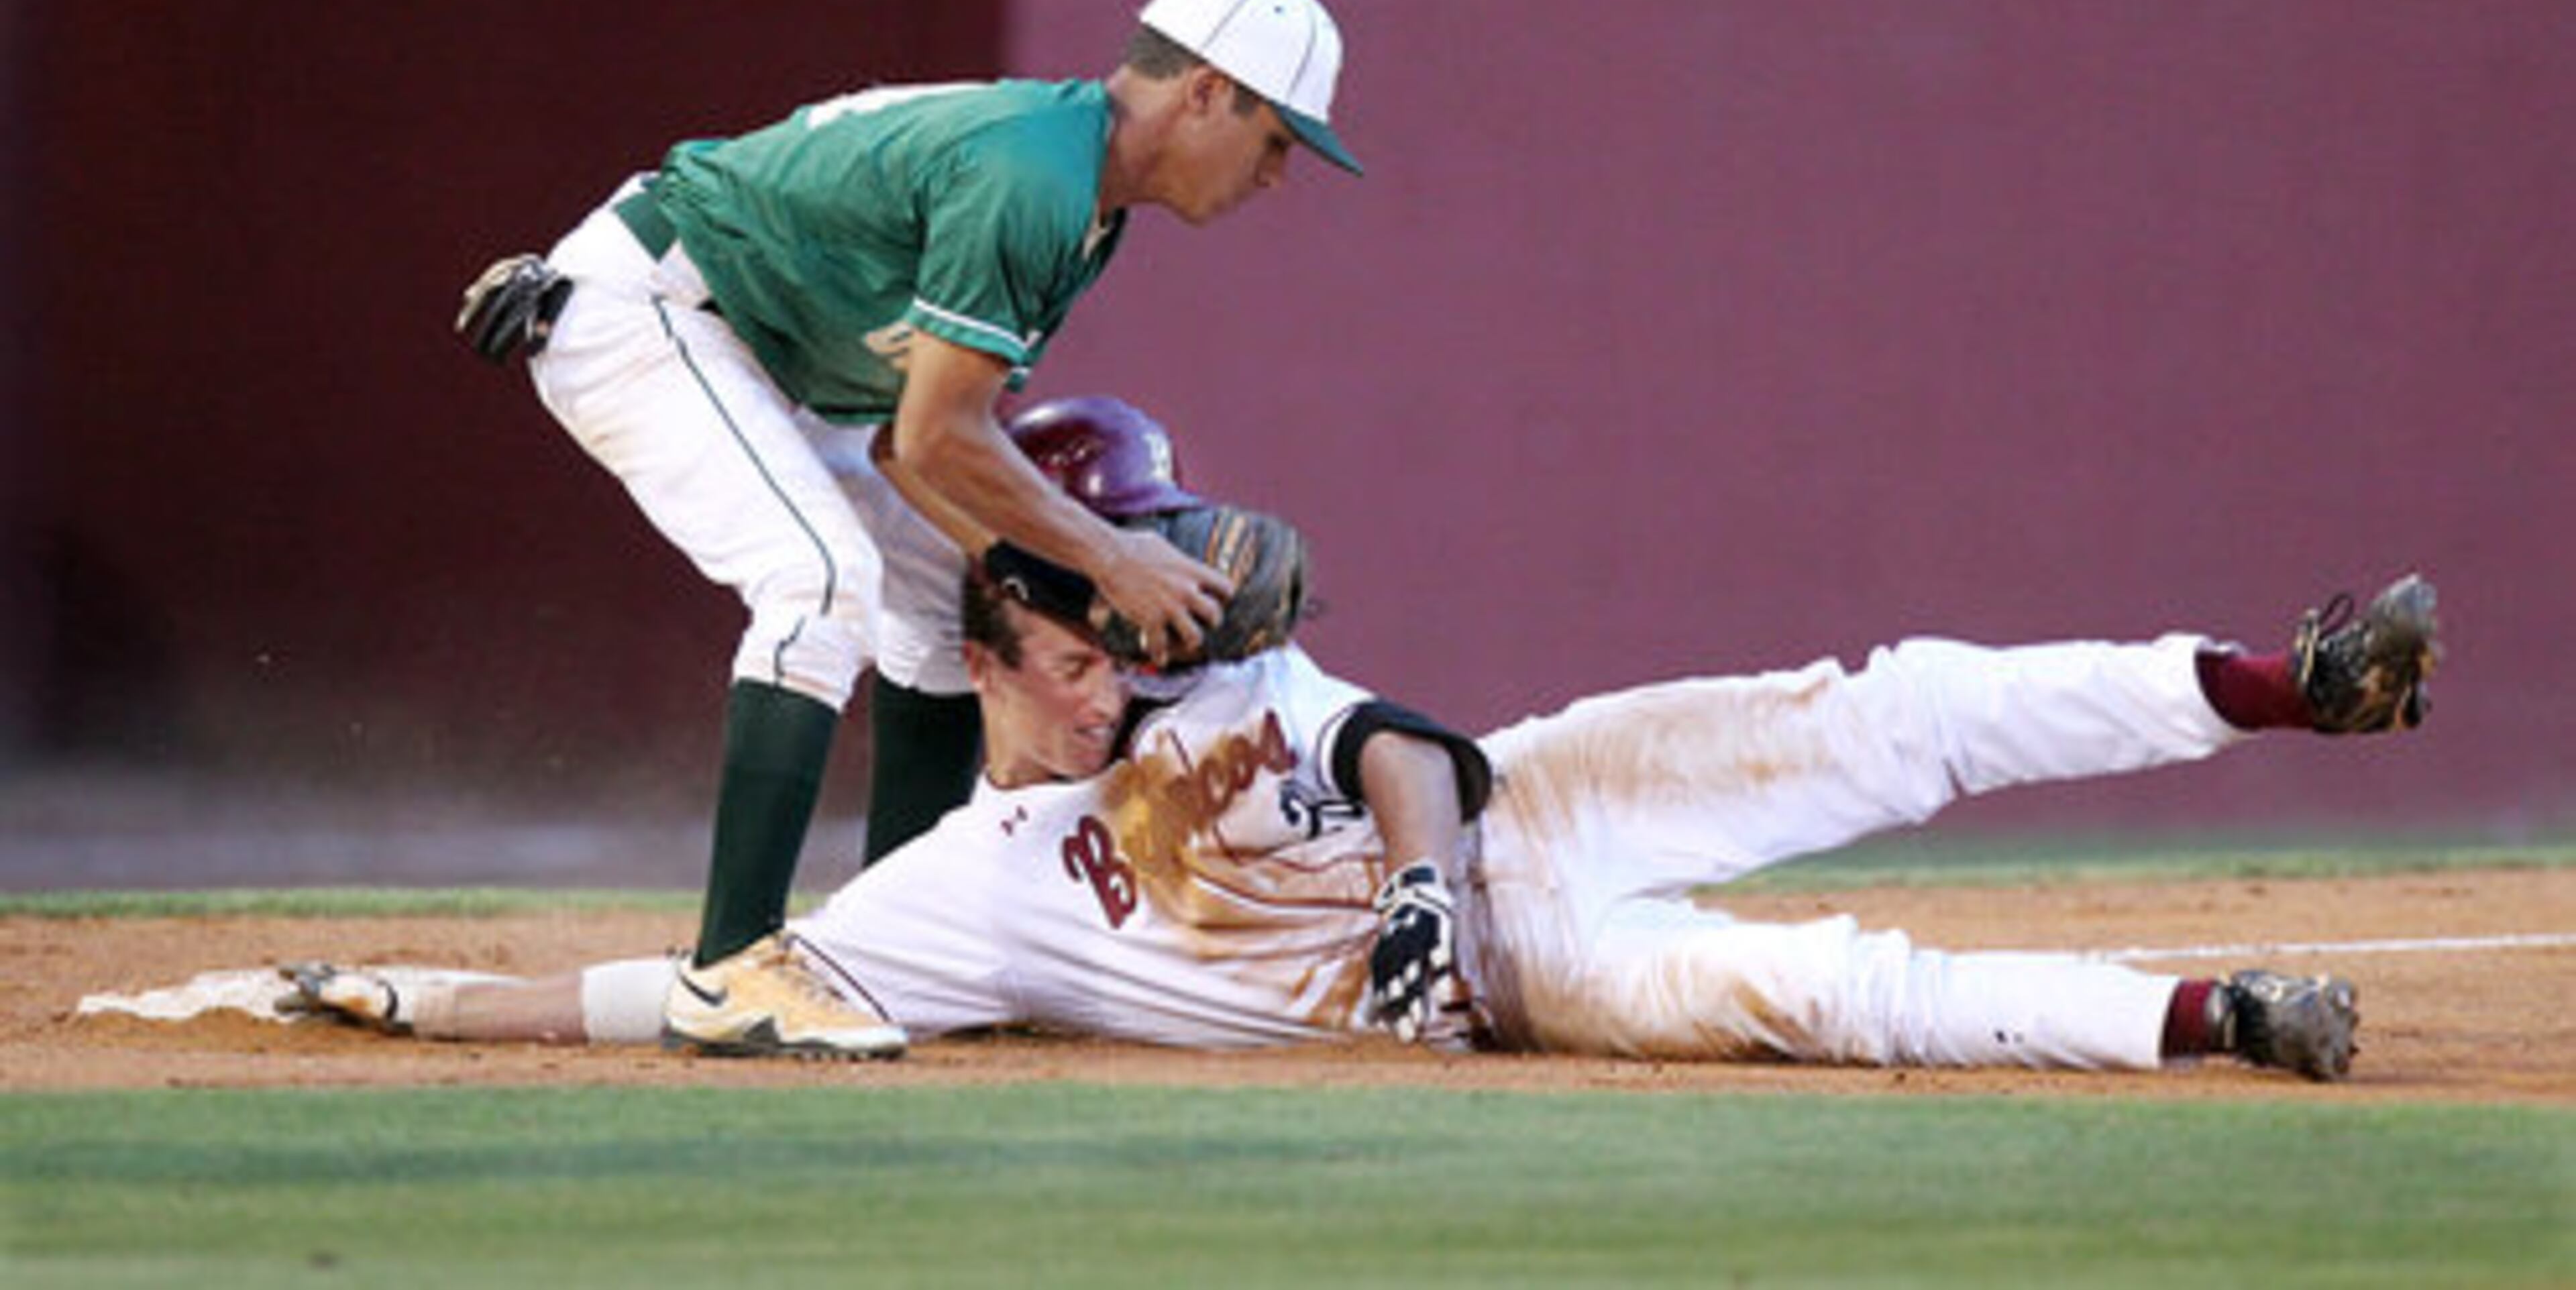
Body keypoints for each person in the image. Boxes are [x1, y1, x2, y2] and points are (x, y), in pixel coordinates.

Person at [286, 545, 2440, 1081]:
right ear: (980, 662)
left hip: (1517, 828)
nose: (1102, 666)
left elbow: (1404, 737)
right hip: (1524, 977)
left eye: (1110, 624)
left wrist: (1412, 881)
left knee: (1874, 713)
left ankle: (2281, 680)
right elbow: (683, 992)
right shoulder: (955, 892)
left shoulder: (1214, 671)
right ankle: (2220, 1018)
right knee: (1828, 997)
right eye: (1059, 639)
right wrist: (409, 994)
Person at [446, 0, 1362, 1058]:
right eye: (1278, 137)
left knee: (934, 592)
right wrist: (1114, 560)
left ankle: (897, 943)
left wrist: (1051, 580)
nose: (1279, 173)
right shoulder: (1037, 176)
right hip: (651, 313)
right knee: (820, 578)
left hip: (768, 357)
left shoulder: (1085, 207)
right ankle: (731, 968)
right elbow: (937, 438)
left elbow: (911, 444)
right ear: (1207, 90)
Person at [856, 394, 1205, 861]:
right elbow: (893, 450)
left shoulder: (1192, 640)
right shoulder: (946, 611)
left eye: (1154, 525)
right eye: (1119, 523)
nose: (1141, 545)